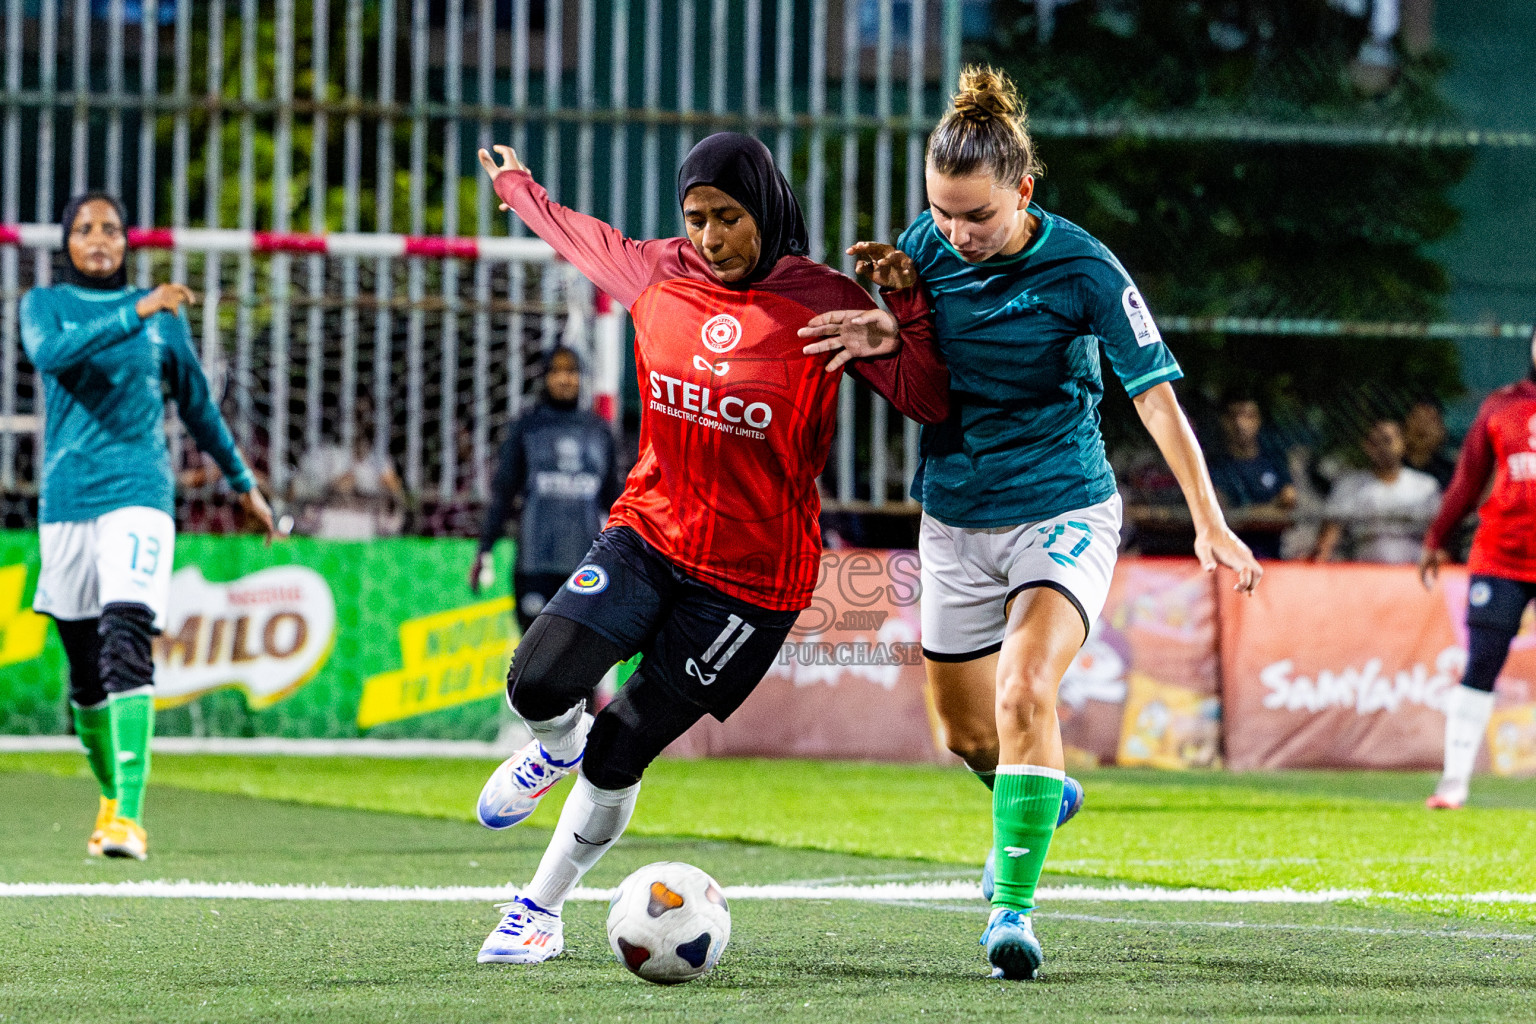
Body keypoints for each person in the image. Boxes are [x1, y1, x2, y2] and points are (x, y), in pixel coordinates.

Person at [806, 67, 1262, 980]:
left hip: (1063, 508)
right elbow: (923, 386)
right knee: (967, 737)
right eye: (941, 211)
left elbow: (1157, 400)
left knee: (1024, 693)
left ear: (1023, 189)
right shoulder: (921, 252)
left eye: (976, 215)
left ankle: (1010, 912)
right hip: (956, 518)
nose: (956, 234)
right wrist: (888, 334)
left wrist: (1211, 520)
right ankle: (1037, 792)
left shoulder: (1084, 267)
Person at [469, 133, 949, 965]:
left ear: (764, 209)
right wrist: (517, 186)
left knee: (624, 746)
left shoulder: (821, 299)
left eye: (728, 217)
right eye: (696, 219)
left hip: (751, 586)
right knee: (537, 682)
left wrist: (903, 318)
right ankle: (555, 745)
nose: (711, 238)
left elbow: (928, 401)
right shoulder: (659, 273)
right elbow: (580, 237)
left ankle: (536, 910)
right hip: (648, 536)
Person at [21, 193, 274, 861]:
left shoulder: (163, 323)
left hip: (139, 492)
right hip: (68, 503)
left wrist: (244, 485)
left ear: (127, 241)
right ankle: (108, 799)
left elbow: (198, 408)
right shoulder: (45, 305)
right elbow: (51, 356)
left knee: (125, 634)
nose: (98, 238)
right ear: (67, 241)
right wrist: (138, 308)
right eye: (84, 228)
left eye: (110, 228)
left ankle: (130, 817)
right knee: (82, 671)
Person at [1419, 327, 1536, 809]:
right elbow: (1468, 478)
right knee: (1483, 661)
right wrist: (1436, 537)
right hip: (1503, 556)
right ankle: (1454, 781)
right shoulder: (1502, 405)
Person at [471, 345, 623, 633]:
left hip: (586, 566)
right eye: (556, 371)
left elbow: (615, 501)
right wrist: (485, 549)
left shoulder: (599, 432)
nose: (564, 379)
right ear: (544, 378)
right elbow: (503, 494)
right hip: (535, 564)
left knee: (577, 663)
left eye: (571, 371)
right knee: (534, 662)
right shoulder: (527, 429)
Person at [1312, 418, 1439, 563]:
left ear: (1402, 443)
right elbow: (1329, 538)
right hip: (1365, 573)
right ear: (1367, 446)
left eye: (1387, 440)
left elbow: (1438, 536)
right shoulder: (1350, 485)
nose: (1382, 448)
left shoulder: (1425, 486)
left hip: (1413, 572)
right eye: (1375, 442)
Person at [1207, 391, 1297, 560]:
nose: (1240, 423)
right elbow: (1223, 518)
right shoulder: (1215, 467)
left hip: (1273, 559)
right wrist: (1271, 510)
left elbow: (1289, 513)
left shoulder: (1275, 463)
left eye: (1248, 416)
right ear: (1224, 421)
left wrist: (1244, 514)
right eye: (1234, 416)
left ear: (1258, 420)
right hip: (1229, 560)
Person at [1403, 396, 1457, 490]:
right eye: (1419, 420)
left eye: (1431, 420)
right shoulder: (1391, 469)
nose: (1423, 428)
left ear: (1442, 430)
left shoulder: (1451, 474)